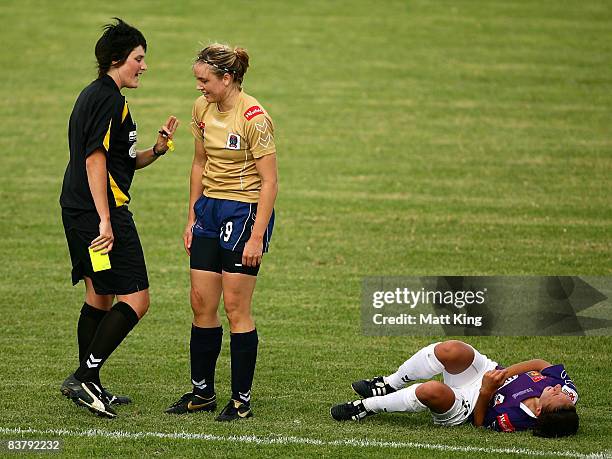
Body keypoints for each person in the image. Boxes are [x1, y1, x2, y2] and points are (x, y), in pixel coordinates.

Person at [59, 18, 178, 418]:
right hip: (98, 212)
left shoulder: (99, 95)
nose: (143, 66)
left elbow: (120, 161)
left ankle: (88, 382)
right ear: (117, 60)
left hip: (81, 207)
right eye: (138, 58)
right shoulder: (107, 100)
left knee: (99, 294)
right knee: (137, 298)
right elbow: (94, 161)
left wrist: (157, 150)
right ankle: (83, 377)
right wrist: (106, 221)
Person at [165, 44, 277, 422]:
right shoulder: (201, 109)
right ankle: (203, 393)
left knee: (235, 308)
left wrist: (257, 235)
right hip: (209, 210)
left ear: (226, 79)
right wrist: (191, 216)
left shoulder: (254, 118)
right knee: (200, 302)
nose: (199, 87)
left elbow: (270, 181)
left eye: (204, 80)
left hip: (244, 213)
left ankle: (241, 400)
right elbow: (199, 162)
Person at [331, 340, 579, 437]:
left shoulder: (517, 420)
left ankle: (364, 407)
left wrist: (486, 391)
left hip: (468, 405)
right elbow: (541, 364)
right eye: (562, 394)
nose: (557, 390)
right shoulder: (567, 392)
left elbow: (480, 423)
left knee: (431, 390)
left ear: (541, 413)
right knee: (452, 349)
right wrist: (503, 374)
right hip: (491, 372)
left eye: (555, 397)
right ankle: (388, 384)